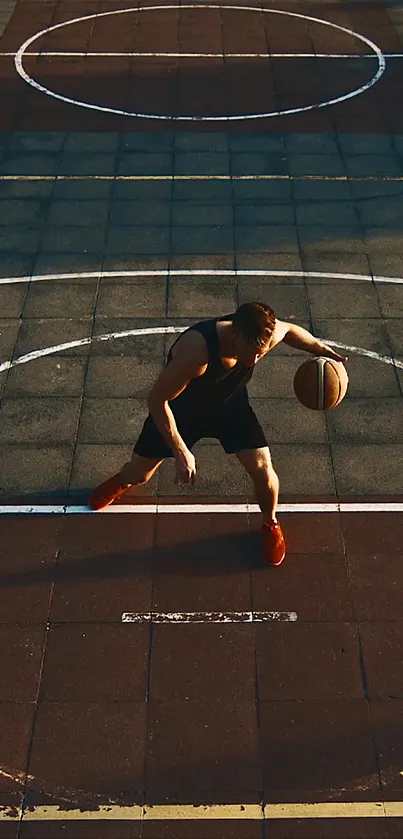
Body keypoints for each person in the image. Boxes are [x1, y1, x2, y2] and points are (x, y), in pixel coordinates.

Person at [89, 301, 347, 566]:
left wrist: (319, 348)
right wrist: (181, 452)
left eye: (261, 352)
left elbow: (290, 330)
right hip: (183, 412)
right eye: (252, 352)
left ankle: (270, 522)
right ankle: (123, 480)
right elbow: (157, 401)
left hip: (230, 406)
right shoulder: (196, 352)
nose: (256, 359)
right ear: (234, 336)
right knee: (139, 474)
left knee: (263, 468)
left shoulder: (260, 335)